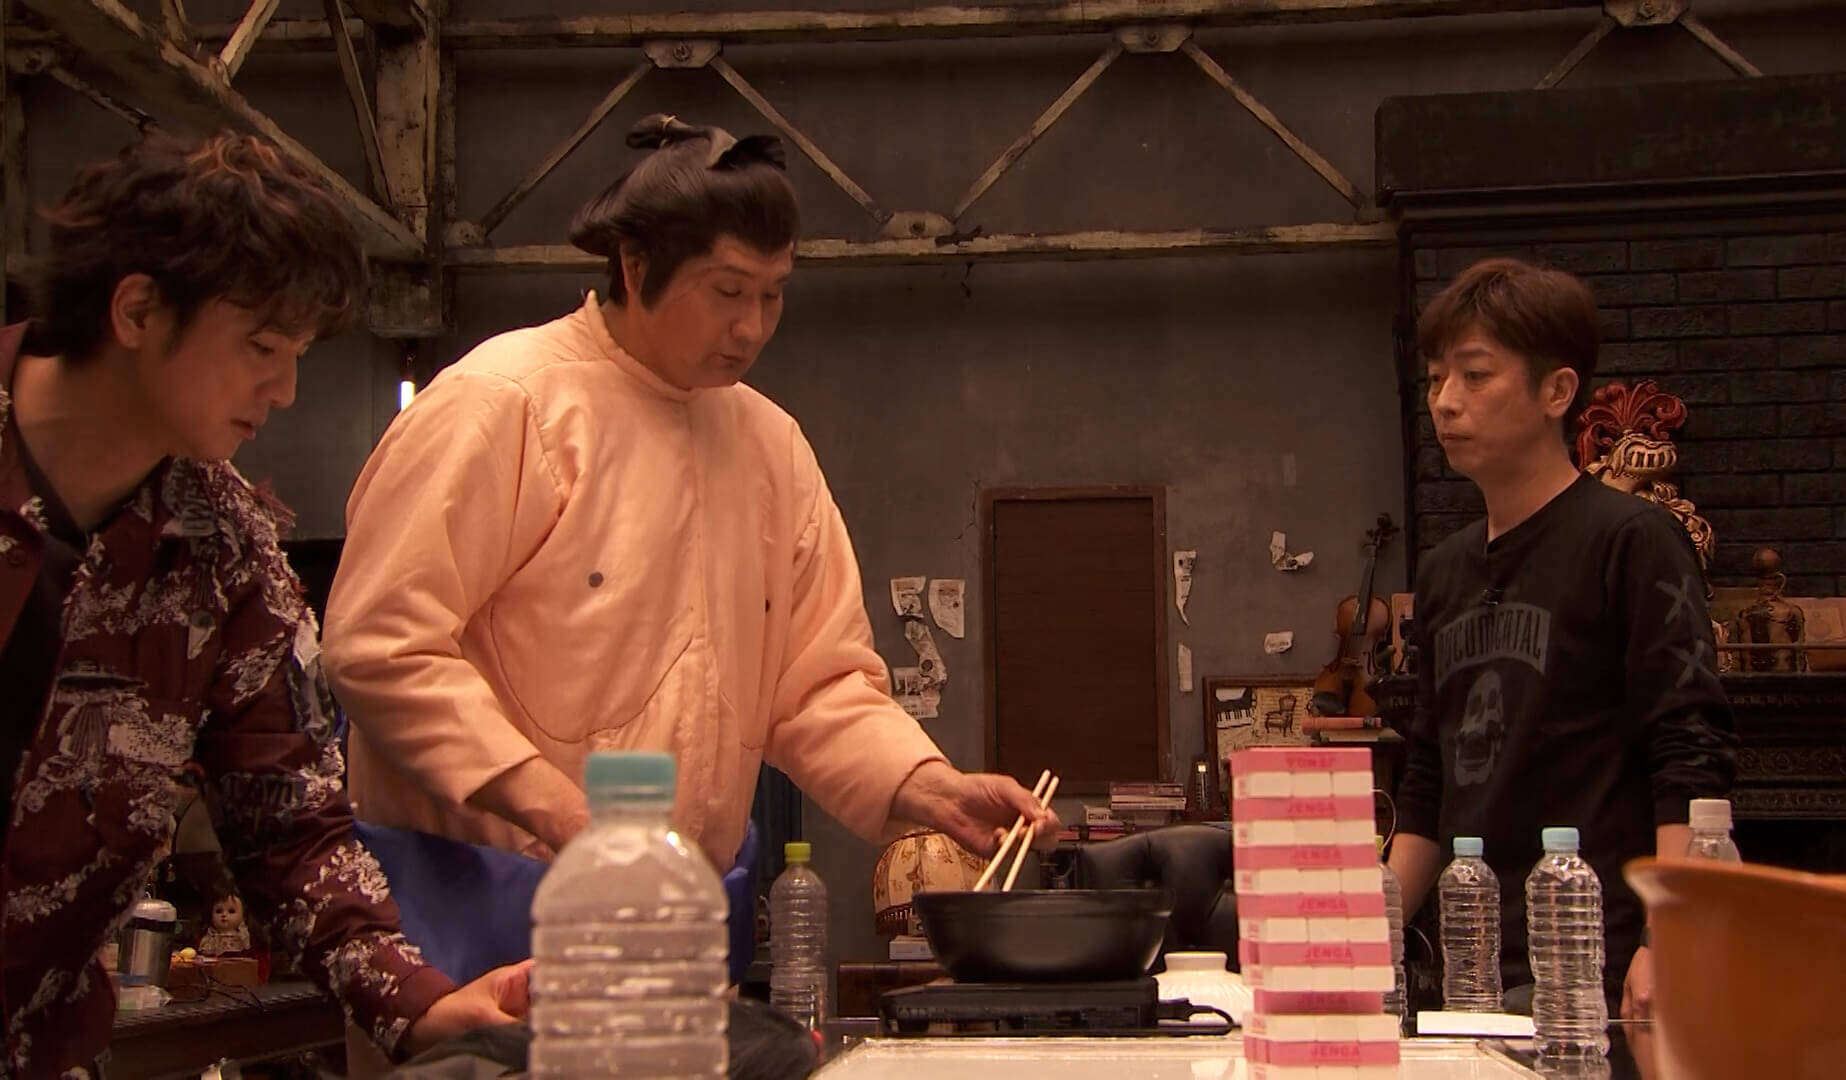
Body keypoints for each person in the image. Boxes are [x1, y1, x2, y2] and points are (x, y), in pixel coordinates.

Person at [323, 114, 1056, 879]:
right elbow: (381, 644)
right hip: (482, 894)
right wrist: (557, 810)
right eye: (728, 291)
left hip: (677, 900)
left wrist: (930, 786)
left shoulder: (771, 448)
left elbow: (819, 686)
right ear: (636, 266)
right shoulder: (502, 403)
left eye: (773, 294)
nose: (752, 327)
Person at [0, 130, 527, 1077]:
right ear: (136, 310)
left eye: (299, 353)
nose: (283, 389)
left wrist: (424, 1001)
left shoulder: (225, 550)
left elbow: (289, 828)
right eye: (261, 346)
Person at [1387, 258, 1737, 1021]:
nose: (1445, 401)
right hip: (1470, 970)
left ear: (1557, 392)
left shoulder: (1633, 540)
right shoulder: (1444, 571)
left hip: (1597, 969)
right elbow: (1427, 778)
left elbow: (1688, 752)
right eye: (1436, 379)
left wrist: (1668, 940)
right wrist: (1361, 934)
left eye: (1475, 375)